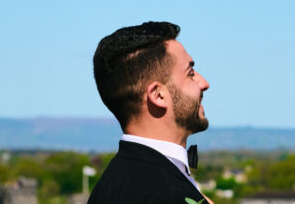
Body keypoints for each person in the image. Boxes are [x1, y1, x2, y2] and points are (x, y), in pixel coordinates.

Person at [88, 21, 211, 204]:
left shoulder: (112, 186)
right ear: (158, 95)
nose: (204, 83)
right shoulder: (163, 195)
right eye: (190, 73)